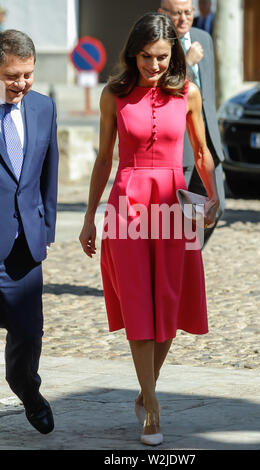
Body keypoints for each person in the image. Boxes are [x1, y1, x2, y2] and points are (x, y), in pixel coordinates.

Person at [79, 12, 219, 446]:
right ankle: (152, 411)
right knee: (140, 303)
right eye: (146, 57)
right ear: (133, 53)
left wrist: (210, 196)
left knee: (171, 303)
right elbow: (104, 159)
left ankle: (145, 389)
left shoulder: (188, 93)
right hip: (128, 207)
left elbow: (201, 151)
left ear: (172, 54)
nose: (154, 66)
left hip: (175, 207)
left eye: (161, 57)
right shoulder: (113, 95)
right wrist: (89, 216)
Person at [0, 30, 59, 434]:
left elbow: (49, 173)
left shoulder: (43, 107)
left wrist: (47, 230)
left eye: (27, 74)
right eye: (12, 76)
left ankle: (26, 389)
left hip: (24, 247)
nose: (21, 83)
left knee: (27, 332)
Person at [159, 0, 225, 246]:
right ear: (163, 13)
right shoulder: (158, 43)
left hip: (207, 142)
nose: (184, 19)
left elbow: (208, 93)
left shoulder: (202, 38)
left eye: (188, 13)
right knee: (180, 214)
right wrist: (187, 63)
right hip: (180, 146)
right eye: (177, 14)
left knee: (215, 208)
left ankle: (190, 257)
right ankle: (182, 266)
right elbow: (161, 89)